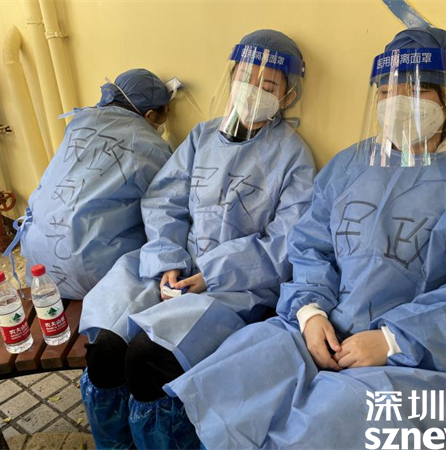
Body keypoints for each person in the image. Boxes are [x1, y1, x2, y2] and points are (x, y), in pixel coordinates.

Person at [166, 27, 446, 449]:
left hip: (418, 357)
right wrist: (310, 314)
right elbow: (311, 247)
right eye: (388, 92)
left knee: (324, 423)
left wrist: (394, 340)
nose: (397, 104)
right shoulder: (349, 167)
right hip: (322, 328)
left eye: (415, 92)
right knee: (229, 376)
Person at [79, 30, 316, 450]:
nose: (253, 91)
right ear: (231, 78)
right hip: (170, 266)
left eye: (267, 85)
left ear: (288, 96)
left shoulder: (292, 157)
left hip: (235, 287)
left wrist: (212, 274)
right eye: (245, 78)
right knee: (106, 349)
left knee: (147, 358)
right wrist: (168, 260)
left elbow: (285, 242)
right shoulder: (203, 137)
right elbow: (164, 200)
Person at [9, 68, 176, 299]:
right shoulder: (151, 146)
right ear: (149, 116)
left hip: (39, 261)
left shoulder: (80, 122)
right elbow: (168, 206)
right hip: (90, 272)